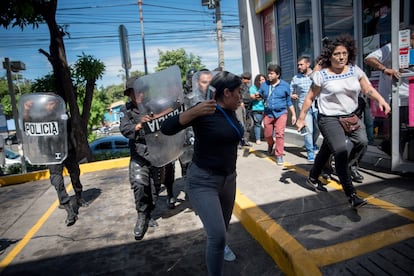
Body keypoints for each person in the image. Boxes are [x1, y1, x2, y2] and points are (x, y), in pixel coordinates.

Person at [161, 71, 242, 276]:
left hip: (228, 179)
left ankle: (221, 248)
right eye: (239, 92)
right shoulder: (203, 111)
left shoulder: (232, 110)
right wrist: (193, 113)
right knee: (217, 236)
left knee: (222, 229)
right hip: (203, 181)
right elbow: (166, 128)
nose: (241, 96)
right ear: (227, 92)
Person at [296, 34, 391, 209]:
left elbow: (367, 89)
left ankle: (314, 176)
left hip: (351, 116)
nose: (341, 57)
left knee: (359, 142)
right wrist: (301, 118)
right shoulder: (322, 75)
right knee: (339, 151)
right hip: (328, 118)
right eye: (337, 54)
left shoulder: (355, 70)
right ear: (329, 57)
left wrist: (381, 100)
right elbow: (309, 98)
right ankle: (351, 195)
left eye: (344, 53)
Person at [120, 76, 176, 240]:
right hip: (139, 154)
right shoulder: (126, 110)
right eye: (134, 92)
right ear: (129, 93)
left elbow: (168, 117)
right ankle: (142, 216)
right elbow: (125, 129)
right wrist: (138, 125)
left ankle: (149, 212)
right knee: (139, 185)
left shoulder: (154, 105)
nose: (139, 95)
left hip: (157, 153)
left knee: (154, 187)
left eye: (141, 91)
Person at [23, 96, 88, 227]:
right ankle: (68, 208)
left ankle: (79, 195)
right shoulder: (40, 119)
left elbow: (71, 129)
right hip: (50, 154)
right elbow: (27, 125)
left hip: (67, 151)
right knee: (57, 181)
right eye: (47, 104)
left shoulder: (63, 117)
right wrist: (26, 110)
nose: (50, 106)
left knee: (75, 174)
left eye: (52, 103)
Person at [364, 25, 413, 156]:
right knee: (399, 131)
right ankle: (396, 158)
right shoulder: (392, 48)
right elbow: (369, 59)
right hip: (398, 97)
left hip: (411, 96)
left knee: (410, 131)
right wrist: (385, 69)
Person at [259, 64, 297, 165]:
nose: (269, 76)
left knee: (280, 134)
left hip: (281, 113)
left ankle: (279, 155)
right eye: (269, 73)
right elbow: (260, 95)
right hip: (268, 113)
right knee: (267, 134)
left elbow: (289, 101)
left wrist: (293, 114)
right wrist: (257, 96)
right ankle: (270, 144)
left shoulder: (285, 85)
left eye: (271, 74)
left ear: (278, 74)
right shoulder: (264, 85)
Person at [290, 56, 320, 162]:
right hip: (304, 108)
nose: (299, 67)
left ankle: (313, 144)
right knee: (308, 130)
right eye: (298, 65)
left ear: (308, 64)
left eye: (301, 64)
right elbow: (290, 91)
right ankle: (310, 152)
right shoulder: (296, 78)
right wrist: (292, 95)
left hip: (317, 106)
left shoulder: (316, 74)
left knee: (318, 129)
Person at [235, 72, 252, 146]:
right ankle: (239, 141)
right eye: (246, 79)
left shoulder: (246, 86)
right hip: (240, 106)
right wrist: (241, 102)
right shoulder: (238, 85)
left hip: (247, 106)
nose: (247, 80)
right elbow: (238, 94)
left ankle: (245, 140)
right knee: (241, 123)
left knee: (249, 123)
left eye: (248, 79)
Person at [249, 74, 266, 144]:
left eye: (263, 80)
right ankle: (258, 139)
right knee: (257, 124)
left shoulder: (268, 87)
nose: (261, 81)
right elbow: (252, 96)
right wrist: (257, 96)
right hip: (257, 109)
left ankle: (269, 137)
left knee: (268, 124)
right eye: (260, 80)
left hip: (267, 108)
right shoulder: (253, 88)